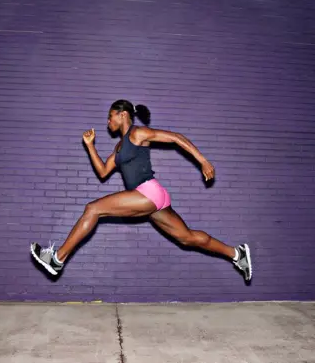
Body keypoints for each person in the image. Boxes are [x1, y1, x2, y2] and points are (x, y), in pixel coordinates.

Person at [30, 99, 252, 282]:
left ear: (123, 114)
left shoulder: (138, 133)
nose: (108, 122)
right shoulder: (119, 148)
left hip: (148, 192)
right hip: (154, 200)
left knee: (93, 209)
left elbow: (175, 138)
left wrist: (203, 161)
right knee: (187, 238)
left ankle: (57, 260)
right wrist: (90, 146)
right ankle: (236, 253)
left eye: (110, 116)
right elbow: (103, 172)